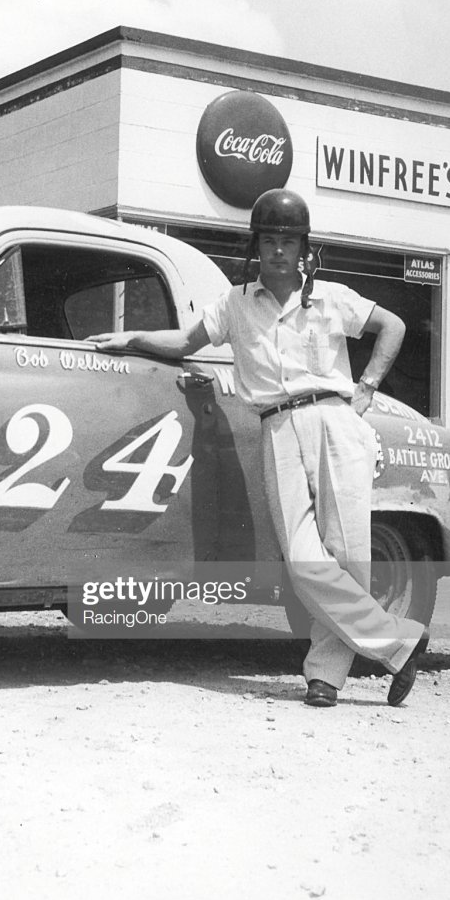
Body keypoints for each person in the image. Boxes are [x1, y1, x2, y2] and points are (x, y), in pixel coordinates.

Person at [89, 188, 427, 708]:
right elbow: (184, 344)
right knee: (302, 559)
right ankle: (397, 642)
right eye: (269, 239)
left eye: (288, 240)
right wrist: (130, 337)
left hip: (337, 422)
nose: (278, 250)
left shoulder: (332, 297)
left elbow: (393, 326)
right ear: (256, 245)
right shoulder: (234, 304)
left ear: (304, 248)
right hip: (276, 426)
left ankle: (325, 676)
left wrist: (366, 387)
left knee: (349, 555)